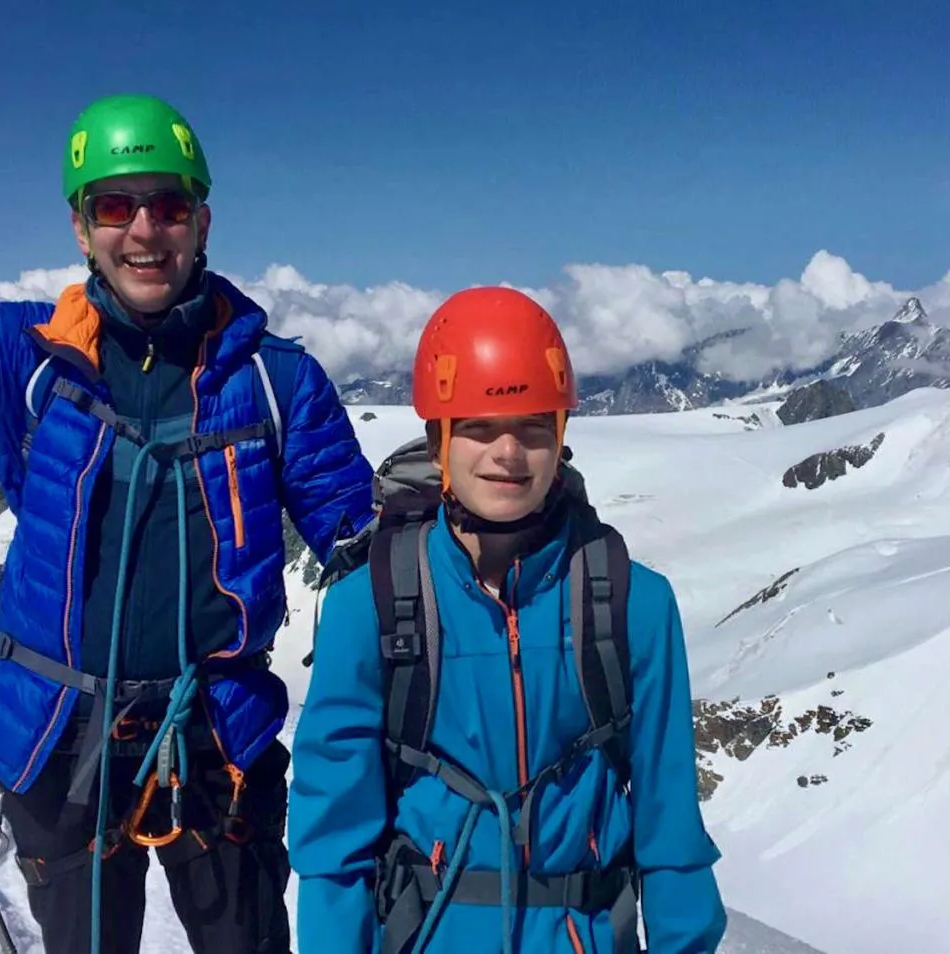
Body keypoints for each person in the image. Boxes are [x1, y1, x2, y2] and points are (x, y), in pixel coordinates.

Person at [0, 93, 376, 953]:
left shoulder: (280, 385)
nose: (144, 230)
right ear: (80, 226)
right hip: (61, 745)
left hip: (219, 743)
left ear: (202, 219)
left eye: (168, 205)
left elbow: (365, 550)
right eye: (114, 206)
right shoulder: (20, 354)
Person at [287, 287, 725, 953]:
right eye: (478, 427)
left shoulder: (634, 605)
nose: (508, 453)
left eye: (532, 427)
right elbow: (332, 840)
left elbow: (671, 831)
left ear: (561, 436)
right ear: (439, 441)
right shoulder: (369, 606)